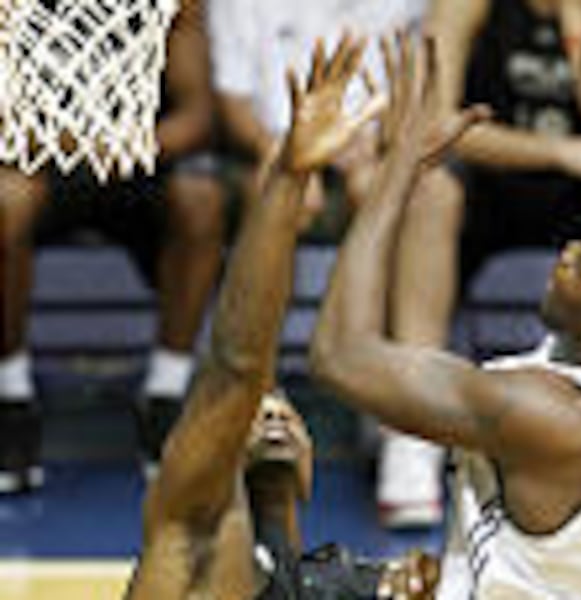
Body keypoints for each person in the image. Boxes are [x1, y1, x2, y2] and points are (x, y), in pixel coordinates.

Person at [312, 3, 581, 598]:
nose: (569, 249)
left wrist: (396, 174)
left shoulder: (553, 420)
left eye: (580, 264)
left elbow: (341, 357)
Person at [125, 33, 439, 600]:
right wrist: (290, 180)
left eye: (284, 412)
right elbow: (238, 365)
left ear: (315, 459)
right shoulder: (194, 541)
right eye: (257, 413)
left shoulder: (326, 581)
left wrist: (392, 183)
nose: (271, 417)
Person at [0, 0, 224, 492]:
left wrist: (126, 146)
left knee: (202, 200)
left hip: (137, 157)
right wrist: (52, 142)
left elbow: (198, 115)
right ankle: (11, 399)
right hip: (37, 158)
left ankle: (165, 394)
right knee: (4, 201)